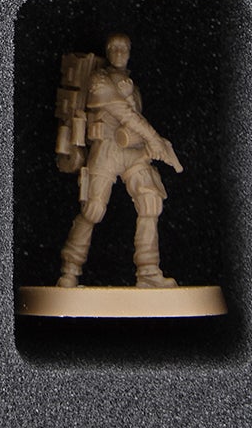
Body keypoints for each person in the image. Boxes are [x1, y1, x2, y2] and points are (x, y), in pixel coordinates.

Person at [55, 34, 182, 288]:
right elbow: (124, 114)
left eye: (124, 48)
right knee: (93, 210)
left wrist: (152, 146)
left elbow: (134, 121)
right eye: (114, 47)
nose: (119, 52)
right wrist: (154, 139)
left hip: (132, 150)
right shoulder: (99, 80)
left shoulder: (133, 87)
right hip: (106, 149)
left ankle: (148, 271)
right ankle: (70, 270)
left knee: (150, 201)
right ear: (107, 50)